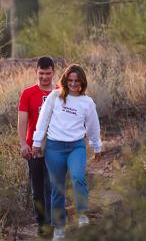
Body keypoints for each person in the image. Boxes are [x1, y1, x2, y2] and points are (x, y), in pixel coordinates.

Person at [32, 64, 102, 240]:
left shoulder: (87, 103)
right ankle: (59, 228)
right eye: (70, 80)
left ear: (82, 82)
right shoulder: (55, 96)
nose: (73, 84)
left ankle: (82, 214)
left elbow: (93, 126)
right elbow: (43, 119)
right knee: (57, 189)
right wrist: (37, 141)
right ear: (65, 80)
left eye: (76, 81)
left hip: (76, 147)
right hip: (54, 148)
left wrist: (97, 146)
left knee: (78, 177)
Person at [18, 56, 55, 237]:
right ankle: (41, 225)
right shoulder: (28, 93)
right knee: (37, 190)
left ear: (53, 72)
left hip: (55, 148)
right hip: (34, 149)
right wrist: (23, 144)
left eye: (48, 73)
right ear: (36, 72)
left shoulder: (60, 92)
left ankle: (51, 225)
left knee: (52, 188)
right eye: (41, 73)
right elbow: (22, 120)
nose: (45, 77)